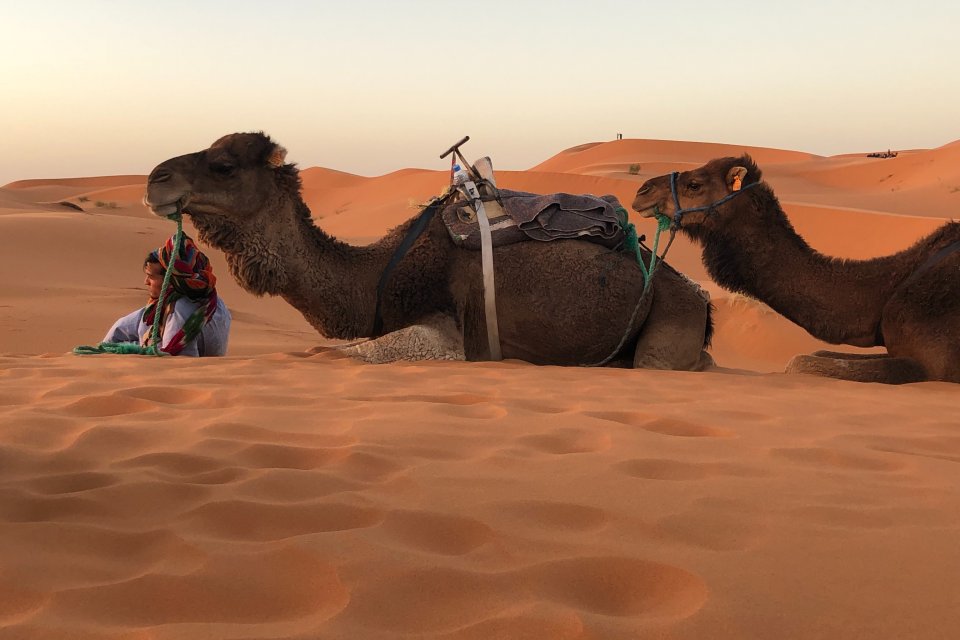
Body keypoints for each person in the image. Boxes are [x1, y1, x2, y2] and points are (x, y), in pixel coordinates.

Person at [102, 234, 231, 356]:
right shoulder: (215, 302)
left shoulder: (180, 310)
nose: (146, 282)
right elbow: (119, 330)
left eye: (151, 277)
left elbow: (177, 358)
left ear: (170, 280)